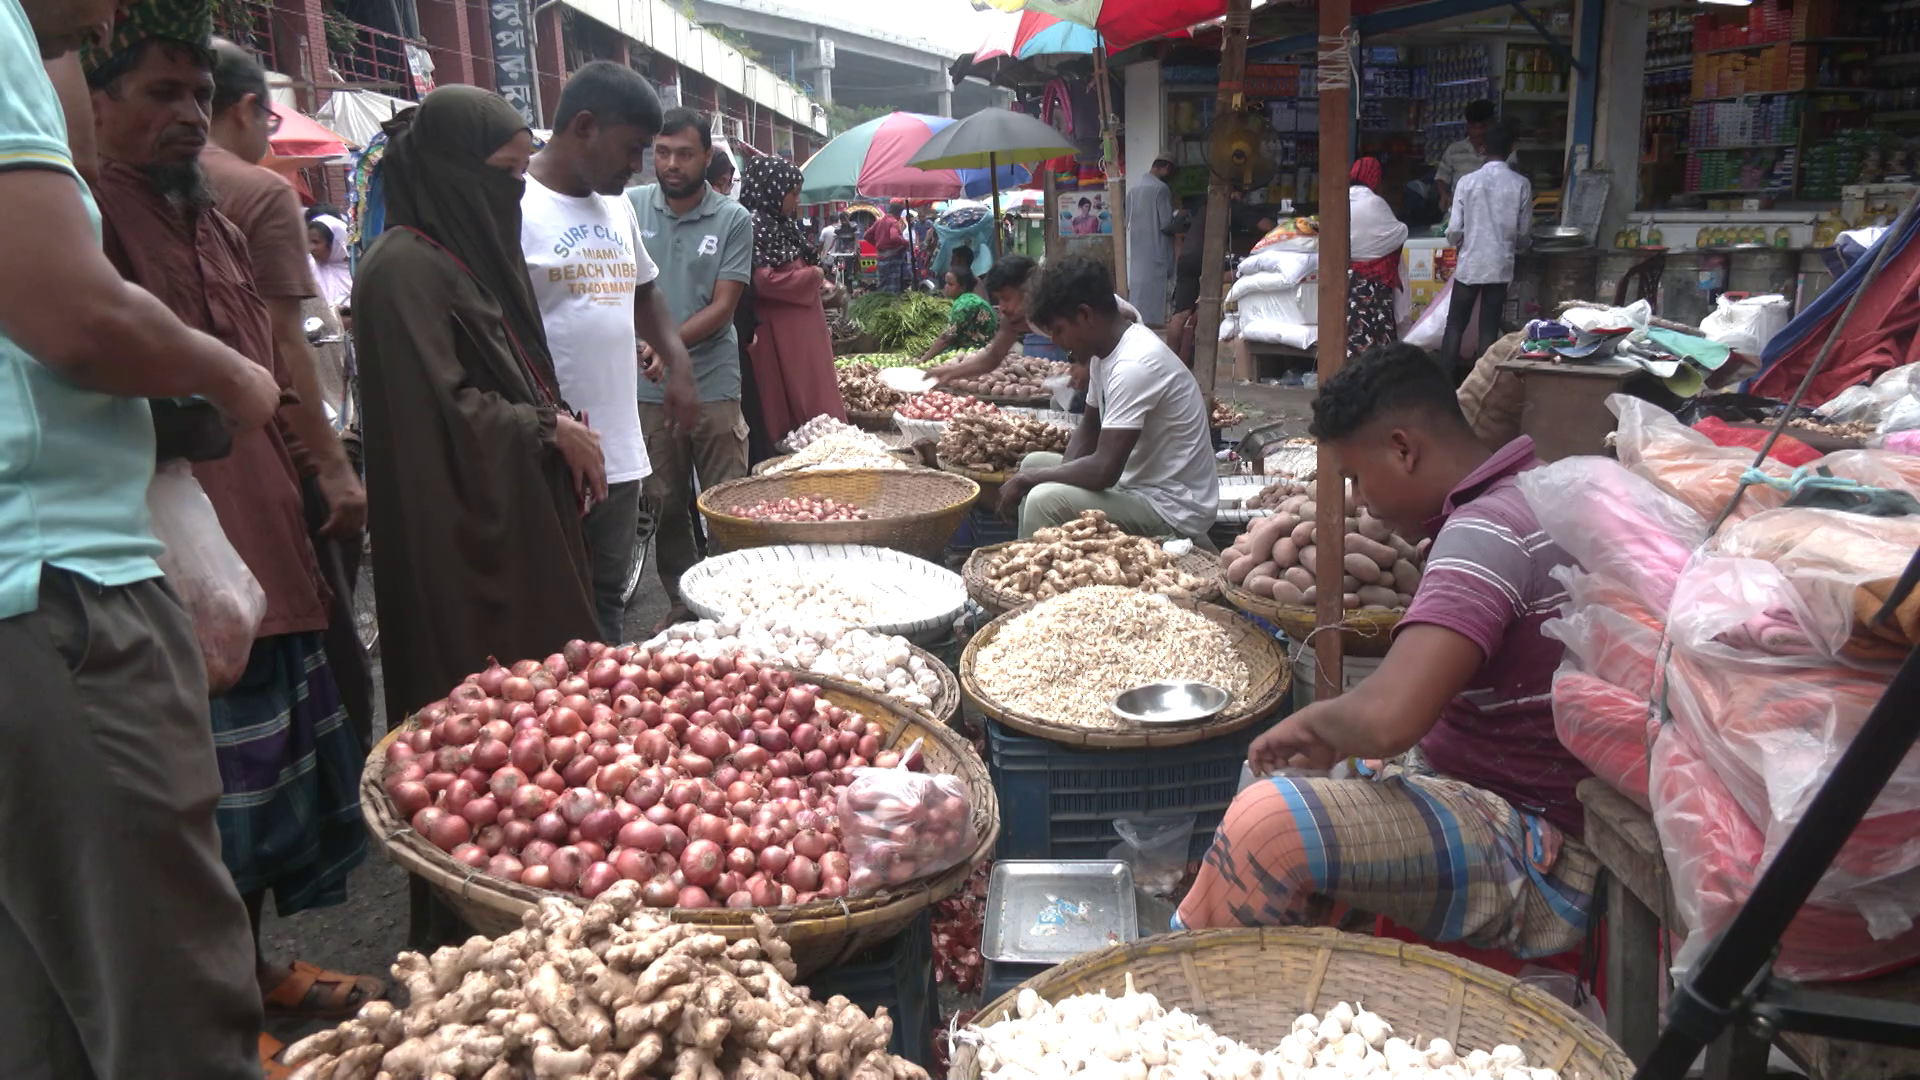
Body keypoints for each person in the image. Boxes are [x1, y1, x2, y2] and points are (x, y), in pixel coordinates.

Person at [2, 3, 282, 1073]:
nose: (115, 13)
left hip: (32, 592)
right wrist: (229, 373)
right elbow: (77, 314)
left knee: (53, 1006)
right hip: (56, 590)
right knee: (170, 1000)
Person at [88, 28, 378, 1024]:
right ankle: (210, 1011)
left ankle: (254, 971)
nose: (183, 116)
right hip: (179, 547)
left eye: (196, 95)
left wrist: (323, 470)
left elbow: (279, 360)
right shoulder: (87, 214)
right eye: (159, 93)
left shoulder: (205, 210)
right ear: (95, 102)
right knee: (196, 798)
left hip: (264, 531)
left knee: (269, 783)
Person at [1175, 343, 1599, 964]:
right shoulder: (1527, 494)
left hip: (1542, 851)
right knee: (1309, 784)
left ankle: (1190, 1002)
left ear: (1403, 449)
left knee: (1265, 825)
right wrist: (1343, 738)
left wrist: (1317, 721)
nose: (1360, 498)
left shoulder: (1484, 534)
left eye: (1354, 476)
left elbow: (1391, 717)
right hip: (1511, 797)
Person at [353, 85, 604, 720]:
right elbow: (439, 414)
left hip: (515, 508)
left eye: (523, 174)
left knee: (551, 703)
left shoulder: (464, 257)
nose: (516, 192)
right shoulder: (402, 268)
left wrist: (560, 424)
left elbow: (511, 367)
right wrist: (549, 429)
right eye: (506, 174)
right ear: (451, 169)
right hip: (463, 538)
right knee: (483, 708)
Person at [205, 40, 375, 750]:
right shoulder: (260, 192)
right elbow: (287, 343)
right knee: (319, 635)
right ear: (248, 107)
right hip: (269, 452)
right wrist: (334, 470)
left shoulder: (109, 180)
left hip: (182, 468)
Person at [523, 61, 699, 644]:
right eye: (631, 149)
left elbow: (643, 291)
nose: (637, 166)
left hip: (618, 454)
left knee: (607, 605)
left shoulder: (616, 206)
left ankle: (602, 727)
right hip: (548, 452)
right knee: (549, 607)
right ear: (584, 125)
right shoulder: (514, 204)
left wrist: (677, 362)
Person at [628, 108, 755, 628]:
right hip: (649, 385)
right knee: (664, 499)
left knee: (726, 496)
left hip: (713, 382)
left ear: (707, 156)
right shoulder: (630, 207)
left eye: (684, 153)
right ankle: (682, 601)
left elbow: (724, 307)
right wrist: (644, 345)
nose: (672, 163)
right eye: (662, 152)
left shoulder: (732, 219)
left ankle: (731, 599)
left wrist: (665, 343)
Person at [996, 257, 1218, 544]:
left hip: (1173, 510)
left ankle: (1029, 578)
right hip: (1136, 484)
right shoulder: (1105, 354)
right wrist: (1042, 476)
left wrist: (1034, 482)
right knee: (1033, 464)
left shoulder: (1134, 364)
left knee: (1042, 499)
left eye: (1059, 330)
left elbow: (1104, 470)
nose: (1057, 341)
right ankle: (1034, 554)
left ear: (1085, 315)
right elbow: (1088, 431)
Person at [736, 153, 846, 445]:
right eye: (793, 194)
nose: (796, 201)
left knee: (813, 390)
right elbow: (764, 281)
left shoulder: (780, 223)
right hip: (782, 333)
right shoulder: (754, 224)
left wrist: (819, 280)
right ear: (772, 190)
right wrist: (812, 277)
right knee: (797, 399)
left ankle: (825, 446)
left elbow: (795, 262)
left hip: (802, 329)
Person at [927, 253, 1141, 391]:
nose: (1002, 307)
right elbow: (992, 358)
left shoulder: (1060, 296)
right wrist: (946, 373)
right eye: (998, 299)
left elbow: (1124, 318)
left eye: (1006, 297)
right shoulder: (1015, 320)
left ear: (1029, 287)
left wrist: (1088, 364)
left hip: (1127, 352)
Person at [1438, 125, 1531, 378]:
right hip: (1500, 264)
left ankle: (1445, 382)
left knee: (1455, 324)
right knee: (1488, 326)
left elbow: (1454, 229)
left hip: (1471, 262)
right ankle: (1482, 381)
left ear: (1482, 149)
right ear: (1511, 149)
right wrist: (1519, 246)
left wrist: (1458, 243)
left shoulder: (1467, 182)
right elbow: (1523, 234)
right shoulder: (1520, 184)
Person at [1346, 156, 1410, 357]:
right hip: (1373, 283)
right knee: (1377, 332)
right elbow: (1399, 233)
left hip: (1347, 278)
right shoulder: (1374, 202)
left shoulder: (1340, 199)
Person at [1434, 99, 1515, 211]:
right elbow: (1442, 177)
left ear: (1492, 124)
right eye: (1473, 127)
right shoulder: (1454, 150)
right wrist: (1443, 194)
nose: (1477, 132)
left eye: (1483, 127)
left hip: (1494, 213)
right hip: (1459, 212)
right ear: (1467, 126)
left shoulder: (1505, 152)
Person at [1126, 156, 1179, 324]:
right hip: (1158, 252)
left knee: (1139, 303)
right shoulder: (1161, 189)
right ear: (1166, 168)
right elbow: (1166, 224)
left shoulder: (1133, 190)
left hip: (1137, 254)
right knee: (1159, 304)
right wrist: (1180, 216)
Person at [916, 267, 998, 362]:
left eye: (950, 284)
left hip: (978, 352)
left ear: (962, 287)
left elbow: (946, 339)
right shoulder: (970, 299)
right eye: (946, 283)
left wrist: (923, 359)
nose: (945, 287)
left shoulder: (964, 304)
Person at [307, 212, 352, 309]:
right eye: (309, 242)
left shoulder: (352, 271)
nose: (311, 248)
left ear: (335, 243)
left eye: (316, 242)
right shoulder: (306, 269)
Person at [866, 197, 911, 293]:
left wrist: (877, 243)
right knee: (892, 288)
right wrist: (905, 242)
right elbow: (894, 237)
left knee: (882, 285)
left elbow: (867, 235)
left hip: (880, 258)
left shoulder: (879, 221)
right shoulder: (893, 222)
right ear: (898, 213)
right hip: (891, 259)